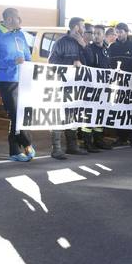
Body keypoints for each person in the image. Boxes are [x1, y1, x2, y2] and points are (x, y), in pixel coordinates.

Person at [0, 7, 36, 162]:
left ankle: (14, 152)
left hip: (22, 79)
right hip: (6, 81)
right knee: (16, 114)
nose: (20, 21)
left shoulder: (20, 34)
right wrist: (12, 62)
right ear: (9, 19)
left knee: (21, 114)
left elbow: (27, 56)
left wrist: (31, 69)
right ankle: (27, 143)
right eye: (18, 17)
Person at [48, 16, 88, 159]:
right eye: (82, 26)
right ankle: (56, 149)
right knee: (59, 116)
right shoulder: (61, 42)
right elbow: (52, 62)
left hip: (77, 86)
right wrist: (72, 62)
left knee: (73, 115)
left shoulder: (82, 43)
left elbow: (88, 62)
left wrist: (83, 45)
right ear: (76, 27)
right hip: (62, 85)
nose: (84, 29)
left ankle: (72, 146)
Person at [108, 23, 132, 147]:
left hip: (130, 86)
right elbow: (107, 64)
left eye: (121, 32)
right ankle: (121, 137)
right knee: (118, 111)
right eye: (117, 32)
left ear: (126, 32)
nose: (118, 35)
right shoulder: (112, 47)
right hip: (116, 85)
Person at [81, 24, 113, 151]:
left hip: (103, 87)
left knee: (100, 113)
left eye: (98, 33)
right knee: (90, 114)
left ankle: (98, 140)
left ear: (104, 35)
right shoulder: (89, 48)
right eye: (94, 33)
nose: (95, 36)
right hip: (92, 87)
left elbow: (107, 65)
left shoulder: (106, 49)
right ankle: (88, 142)